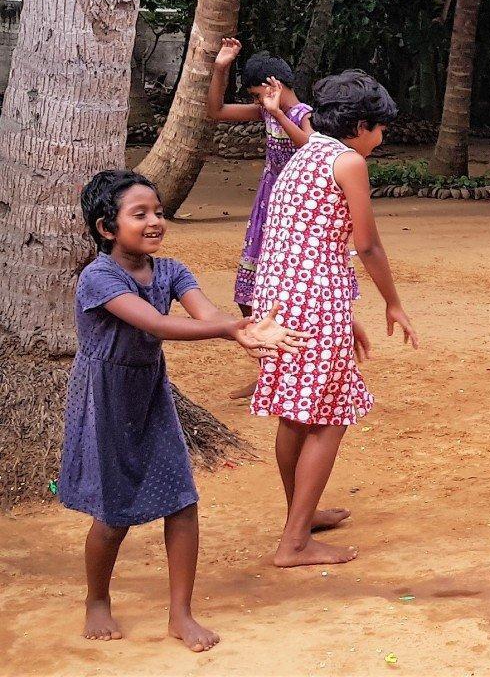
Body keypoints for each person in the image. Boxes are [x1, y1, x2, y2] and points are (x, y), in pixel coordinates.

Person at [62, 171, 307, 651]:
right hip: (106, 399)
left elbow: (206, 314)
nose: (155, 221)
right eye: (140, 215)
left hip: (150, 394)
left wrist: (241, 330)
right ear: (106, 228)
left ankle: (181, 614)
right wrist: (230, 329)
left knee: (182, 500)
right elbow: (156, 323)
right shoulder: (99, 277)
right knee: (114, 515)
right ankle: (96, 600)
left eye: (157, 211)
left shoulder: (171, 270)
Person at [251, 70, 419, 568]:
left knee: (294, 413)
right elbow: (365, 243)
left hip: (279, 300)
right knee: (329, 418)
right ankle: (295, 542)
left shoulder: (303, 154)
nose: (381, 139)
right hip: (313, 299)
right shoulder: (348, 162)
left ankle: (299, 517)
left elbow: (304, 245)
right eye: (380, 129)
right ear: (361, 124)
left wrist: (343, 315)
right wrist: (392, 302)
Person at [208, 38, 314, 400]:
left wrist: (280, 113)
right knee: (248, 291)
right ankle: (269, 367)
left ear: (274, 86)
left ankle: (289, 369)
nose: (257, 102)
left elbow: (311, 148)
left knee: (289, 290)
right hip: (267, 206)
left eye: (257, 94)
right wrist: (221, 67)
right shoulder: (266, 112)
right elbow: (216, 111)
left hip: (295, 210)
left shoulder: (302, 114)